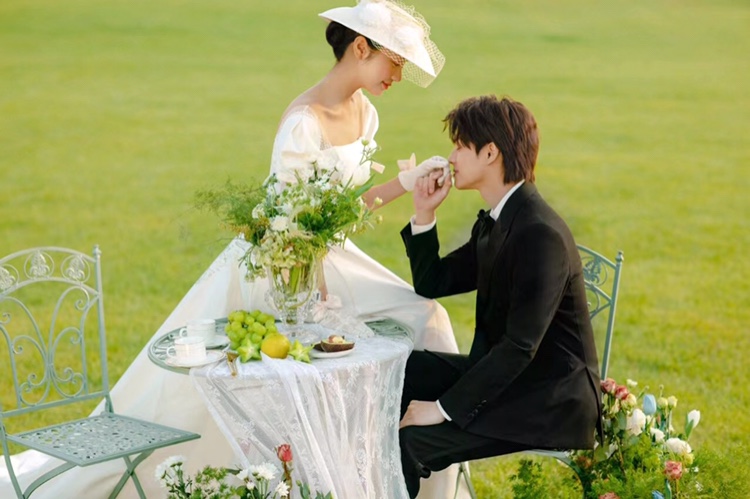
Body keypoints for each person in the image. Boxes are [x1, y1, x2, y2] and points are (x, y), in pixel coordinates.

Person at [0, 1, 464, 498]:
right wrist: (318, 290)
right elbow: (291, 225)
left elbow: (344, 209)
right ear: (361, 47)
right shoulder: (303, 122)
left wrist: (406, 185)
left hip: (332, 254)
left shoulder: (366, 113)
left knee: (427, 318)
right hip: (281, 267)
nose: (399, 74)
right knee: (252, 385)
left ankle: (415, 470)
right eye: (395, 60)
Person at [398, 95, 602, 498]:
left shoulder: (539, 233)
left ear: (490, 152)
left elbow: (520, 347)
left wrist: (441, 409)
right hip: (512, 378)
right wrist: (424, 212)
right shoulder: (498, 220)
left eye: (460, 145)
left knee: (411, 442)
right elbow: (433, 281)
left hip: (549, 400)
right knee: (405, 370)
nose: (451, 157)